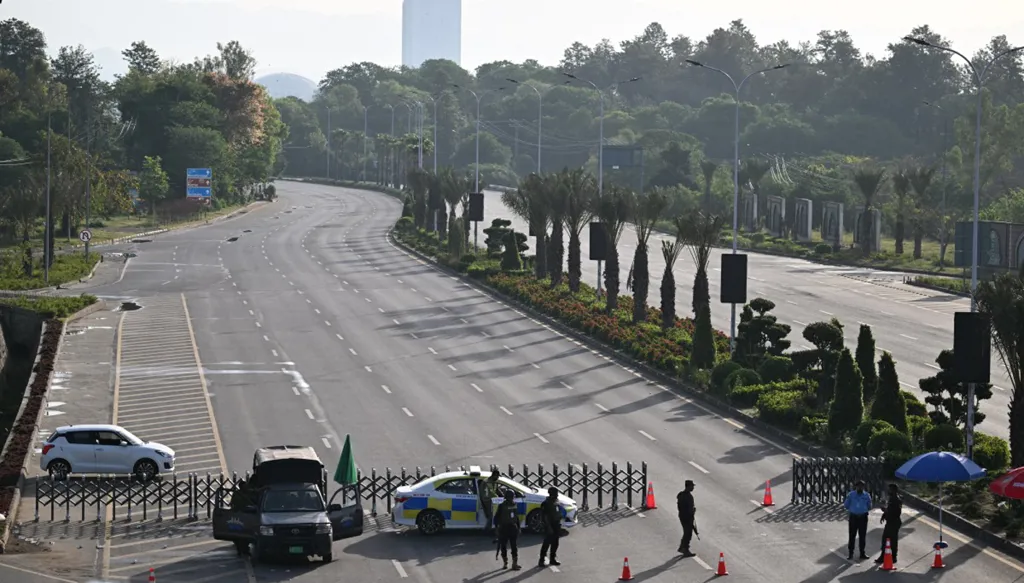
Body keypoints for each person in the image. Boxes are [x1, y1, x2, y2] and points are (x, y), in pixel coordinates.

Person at [843, 480, 872, 560]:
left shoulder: (867, 495)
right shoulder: (851, 495)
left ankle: (862, 553)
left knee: (862, 536)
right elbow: (846, 505)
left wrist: (862, 510)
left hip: (863, 517)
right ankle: (850, 553)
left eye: (862, 486)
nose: (860, 488)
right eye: (858, 486)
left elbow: (869, 506)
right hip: (853, 517)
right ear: (855, 486)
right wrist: (854, 509)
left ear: (864, 487)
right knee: (852, 535)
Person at [495, 489, 522, 570]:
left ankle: (514, 563)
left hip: (513, 527)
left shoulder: (514, 504)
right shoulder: (501, 506)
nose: (513, 498)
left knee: (514, 546)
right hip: (504, 528)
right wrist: (497, 528)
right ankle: (505, 563)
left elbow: (516, 517)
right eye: (512, 496)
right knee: (503, 546)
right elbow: (496, 518)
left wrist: (519, 527)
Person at [876, 483, 903, 564]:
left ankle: (888, 557)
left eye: (890, 489)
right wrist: (884, 515)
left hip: (893, 522)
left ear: (894, 490)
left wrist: (885, 510)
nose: (888, 491)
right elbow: (889, 509)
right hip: (891, 522)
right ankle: (891, 556)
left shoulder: (896, 500)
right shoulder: (892, 498)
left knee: (888, 540)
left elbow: (896, 512)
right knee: (890, 539)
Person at [538, 487, 562, 568]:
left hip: (556, 524)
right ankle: (541, 559)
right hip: (549, 525)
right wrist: (548, 527)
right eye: (555, 493)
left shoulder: (557, 501)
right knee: (547, 543)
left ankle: (553, 558)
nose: (557, 495)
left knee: (555, 543)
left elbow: (558, 511)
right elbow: (544, 516)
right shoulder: (546, 503)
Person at [676, 480, 696, 555]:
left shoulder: (681, 495)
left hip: (682, 516)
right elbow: (688, 508)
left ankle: (682, 547)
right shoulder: (688, 496)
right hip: (687, 517)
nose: (693, 487)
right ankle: (685, 548)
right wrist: (692, 512)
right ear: (688, 486)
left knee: (686, 532)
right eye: (692, 486)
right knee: (688, 533)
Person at [480, 471, 500, 537]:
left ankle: (491, 529)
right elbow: (489, 492)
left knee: (492, 514)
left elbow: (496, 490)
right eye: (497, 476)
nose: (497, 478)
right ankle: (486, 531)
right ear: (494, 475)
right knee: (491, 515)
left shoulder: (494, 481)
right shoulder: (487, 482)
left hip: (492, 500)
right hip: (487, 500)